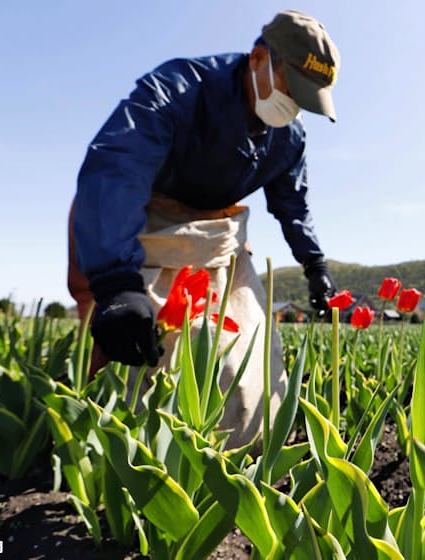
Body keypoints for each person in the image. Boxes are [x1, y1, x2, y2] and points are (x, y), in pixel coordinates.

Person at [67, 10, 341, 447]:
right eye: (293, 90)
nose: (295, 109)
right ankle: (109, 454)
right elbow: (118, 168)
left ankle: (233, 461)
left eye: (307, 102)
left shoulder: (289, 137)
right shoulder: (179, 88)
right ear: (257, 60)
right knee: (129, 342)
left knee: (251, 354)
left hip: (219, 235)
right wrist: (116, 280)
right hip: (140, 224)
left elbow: (292, 202)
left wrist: (314, 264)